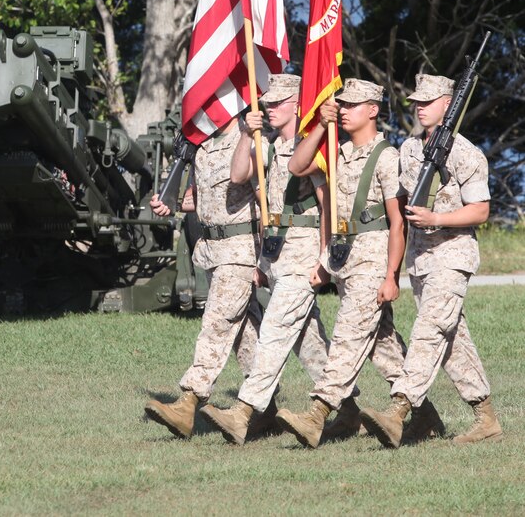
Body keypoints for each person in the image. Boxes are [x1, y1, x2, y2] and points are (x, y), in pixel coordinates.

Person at [360, 74, 502, 448]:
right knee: (452, 340)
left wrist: (437, 219)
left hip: (453, 255)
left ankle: (399, 411)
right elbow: (400, 202)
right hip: (421, 260)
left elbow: (482, 210)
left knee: (429, 331)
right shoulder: (408, 149)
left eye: (428, 101)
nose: (420, 107)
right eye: (416, 102)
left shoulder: (467, 153)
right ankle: (486, 417)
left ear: (447, 104)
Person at [199, 74, 336, 445]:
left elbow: (327, 205)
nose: (269, 109)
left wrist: (326, 258)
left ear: (296, 104)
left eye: (277, 103)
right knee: (308, 343)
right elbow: (238, 174)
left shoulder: (314, 147)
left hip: (304, 249)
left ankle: (244, 412)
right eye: (267, 103)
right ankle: (349, 408)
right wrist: (246, 134)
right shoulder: (269, 146)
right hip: (275, 254)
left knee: (273, 333)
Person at [273, 79, 409, 448]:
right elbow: (297, 166)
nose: (344, 110)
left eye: (351, 105)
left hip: (373, 259)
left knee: (348, 336)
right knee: (382, 346)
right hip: (345, 259)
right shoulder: (339, 151)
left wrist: (392, 275)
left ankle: (316, 414)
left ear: (373, 109)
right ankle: (423, 411)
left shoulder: (387, 157)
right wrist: (320, 122)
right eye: (341, 105)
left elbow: (398, 222)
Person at [143, 114, 265, 439]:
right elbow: (202, 199)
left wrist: (265, 257)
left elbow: (267, 197)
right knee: (245, 335)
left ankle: (189, 400)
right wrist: (171, 204)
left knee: (217, 324)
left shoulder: (249, 140)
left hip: (240, 250)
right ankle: (264, 407)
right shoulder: (203, 146)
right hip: (212, 250)